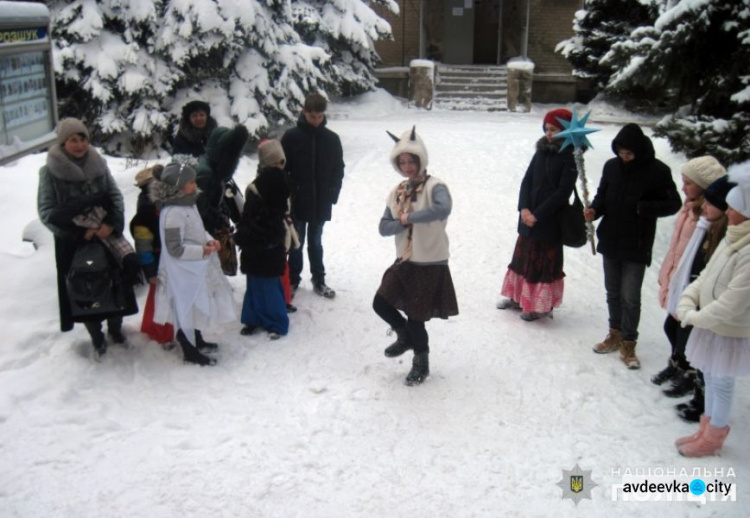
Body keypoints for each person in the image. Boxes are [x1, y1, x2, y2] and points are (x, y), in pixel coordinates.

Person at [37, 118, 138, 358]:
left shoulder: (98, 163)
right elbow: (46, 212)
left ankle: (116, 328)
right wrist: (80, 234)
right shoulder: (50, 171)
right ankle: (96, 336)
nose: (80, 144)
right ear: (63, 142)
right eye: (73, 139)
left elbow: (115, 197)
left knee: (116, 284)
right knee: (84, 290)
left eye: (83, 138)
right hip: (73, 243)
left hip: (106, 235)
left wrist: (111, 225)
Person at [585, 123, 681, 369]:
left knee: (630, 296)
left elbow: (673, 202)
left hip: (637, 242)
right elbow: (603, 196)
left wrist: (645, 208)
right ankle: (614, 334)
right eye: (621, 152)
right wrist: (594, 211)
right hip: (611, 238)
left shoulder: (658, 171)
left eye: (629, 153)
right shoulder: (611, 166)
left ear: (639, 150)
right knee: (613, 292)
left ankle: (629, 342)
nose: (624, 157)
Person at [373, 127, 459, 386]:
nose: (407, 166)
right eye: (402, 162)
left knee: (416, 318)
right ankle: (405, 336)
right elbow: (383, 227)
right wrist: (401, 222)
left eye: (411, 160)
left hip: (430, 262)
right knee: (380, 303)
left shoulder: (436, 186)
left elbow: (443, 209)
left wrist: (409, 217)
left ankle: (421, 363)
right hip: (405, 261)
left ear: (421, 159)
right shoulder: (396, 191)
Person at [674, 166, 750, 457]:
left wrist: (693, 316)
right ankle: (706, 428)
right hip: (710, 323)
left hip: (728, 329)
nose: (728, 212)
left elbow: (733, 301)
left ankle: (715, 435)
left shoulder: (747, 248)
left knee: (722, 382)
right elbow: (705, 275)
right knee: (710, 377)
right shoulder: (733, 236)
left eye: (733, 208)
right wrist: (688, 298)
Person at [652, 156, 726, 396]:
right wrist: (668, 273)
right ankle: (677, 363)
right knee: (671, 327)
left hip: (693, 283)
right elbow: (677, 246)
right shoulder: (689, 206)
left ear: (705, 186)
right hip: (678, 277)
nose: (683, 187)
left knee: (685, 332)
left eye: (688, 183)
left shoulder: (711, 217)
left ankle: (688, 371)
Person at [150, 162, 236, 366]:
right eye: (190, 181)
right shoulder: (172, 213)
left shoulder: (188, 203)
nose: (194, 184)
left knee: (195, 303)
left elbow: (197, 229)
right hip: (181, 271)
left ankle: (196, 337)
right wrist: (201, 250)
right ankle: (188, 347)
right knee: (185, 306)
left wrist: (208, 240)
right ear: (177, 186)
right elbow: (175, 249)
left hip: (195, 267)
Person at [497, 108, 577, 321]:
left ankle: (539, 306)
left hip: (549, 221)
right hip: (528, 217)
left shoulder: (570, 156)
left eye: (554, 129)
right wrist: (523, 208)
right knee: (523, 260)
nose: (549, 133)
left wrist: (538, 215)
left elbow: (563, 192)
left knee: (541, 265)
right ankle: (517, 298)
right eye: (546, 129)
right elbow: (527, 180)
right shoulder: (541, 151)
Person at [667, 176, 732, 423]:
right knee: (695, 352)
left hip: (714, 313)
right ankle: (702, 403)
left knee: (715, 370)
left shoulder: (727, 237)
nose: (704, 207)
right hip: (696, 300)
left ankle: (709, 415)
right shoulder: (708, 227)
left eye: (710, 203)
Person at [281, 92, 345, 299]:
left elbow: (338, 168)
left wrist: (333, 192)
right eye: (312, 117)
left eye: (319, 117)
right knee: (296, 243)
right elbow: (282, 169)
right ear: (304, 113)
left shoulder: (332, 139)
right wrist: (290, 192)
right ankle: (293, 279)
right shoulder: (291, 137)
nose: (316, 121)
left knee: (316, 242)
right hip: (298, 201)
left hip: (321, 201)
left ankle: (319, 279)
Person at [235, 140, 292, 339]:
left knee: (263, 285)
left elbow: (258, 214)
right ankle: (257, 319)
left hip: (261, 239)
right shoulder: (279, 180)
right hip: (264, 239)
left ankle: (273, 322)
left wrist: (246, 234)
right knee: (261, 283)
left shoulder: (266, 183)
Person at [195, 124, 250, 276]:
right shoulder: (205, 175)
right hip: (204, 232)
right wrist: (219, 219)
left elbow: (215, 197)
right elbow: (202, 208)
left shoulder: (214, 167)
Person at [130, 164, 175, 347]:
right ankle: (160, 333)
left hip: (166, 257)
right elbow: (143, 244)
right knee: (161, 298)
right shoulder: (148, 210)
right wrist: (149, 270)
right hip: (158, 260)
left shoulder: (160, 203)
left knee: (162, 296)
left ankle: (159, 329)